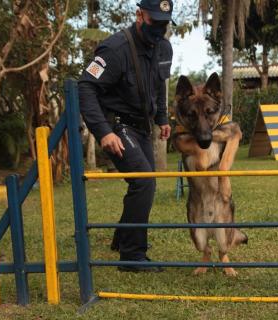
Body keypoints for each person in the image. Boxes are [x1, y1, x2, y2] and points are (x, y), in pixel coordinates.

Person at [78, 0, 174, 272]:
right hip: (116, 126)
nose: (159, 29)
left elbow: (159, 87)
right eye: (155, 22)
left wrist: (162, 118)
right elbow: (86, 87)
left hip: (142, 127)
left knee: (145, 183)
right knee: (144, 182)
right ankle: (132, 257)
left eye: (165, 24)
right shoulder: (114, 49)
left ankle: (123, 239)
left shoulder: (164, 47)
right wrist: (103, 132)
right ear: (139, 15)